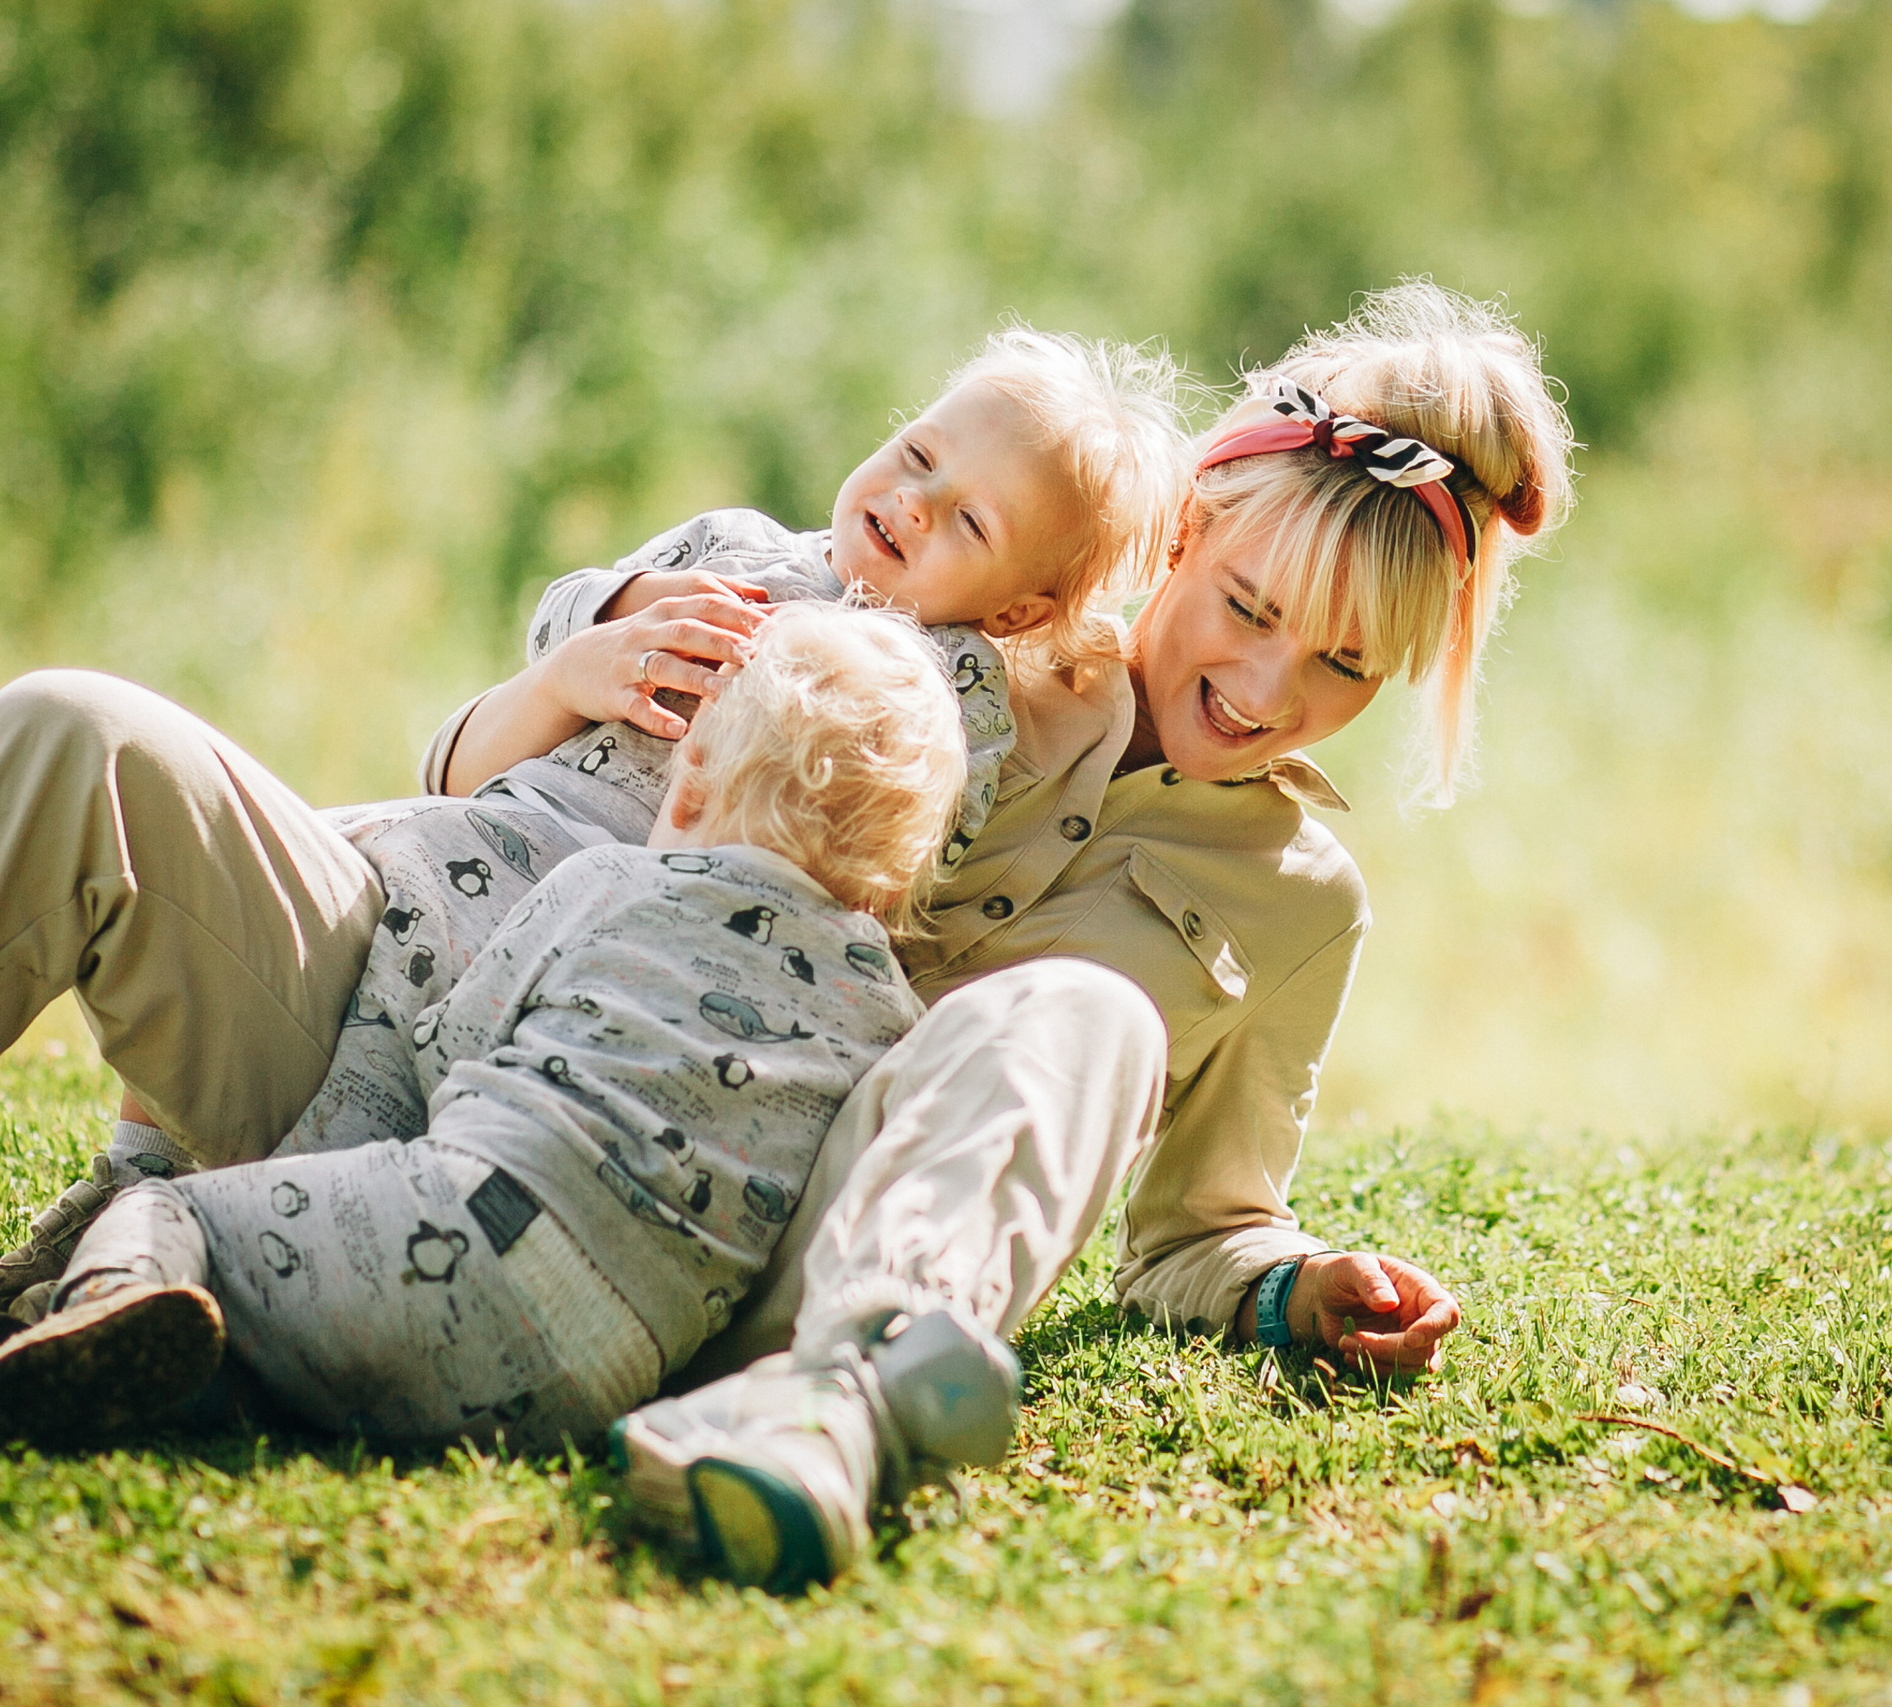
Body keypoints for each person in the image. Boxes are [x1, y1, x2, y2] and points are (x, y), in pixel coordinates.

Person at [422, 283, 1574, 1590]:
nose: (1270, 691)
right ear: (1188, 527)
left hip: (797, 1270)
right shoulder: (972, 620)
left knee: (1092, 1015)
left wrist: (1295, 1286)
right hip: (592, 1111)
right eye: (1248, 608)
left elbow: (1200, 1228)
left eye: (1346, 667)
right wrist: (585, 641)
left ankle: (828, 1406)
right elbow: (634, 687)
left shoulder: (1302, 904)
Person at [0, 325, 1191, 1323]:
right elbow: (554, 622)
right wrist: (610, 633)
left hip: (609, 920)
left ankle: (227, 1238)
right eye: (918, 456)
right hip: (484, 827)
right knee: (292, 865)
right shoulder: (738, 548)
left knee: (398, 1036)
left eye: (969, 521)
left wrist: (832, 693)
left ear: (1023, 612)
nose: (914, 503)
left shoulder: (947, 685)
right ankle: (131, 1181)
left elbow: (902, 824)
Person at [0, 603, 1015, 1454]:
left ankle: (88, 1306)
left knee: (179, 1213)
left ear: (687, 786)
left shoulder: (606, 884)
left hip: (464, 1228)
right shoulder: (883, 1008)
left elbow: (455, 1048)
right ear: (886, 892)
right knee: (340, 1348)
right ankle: (189, 1381)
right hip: (611, 1372)